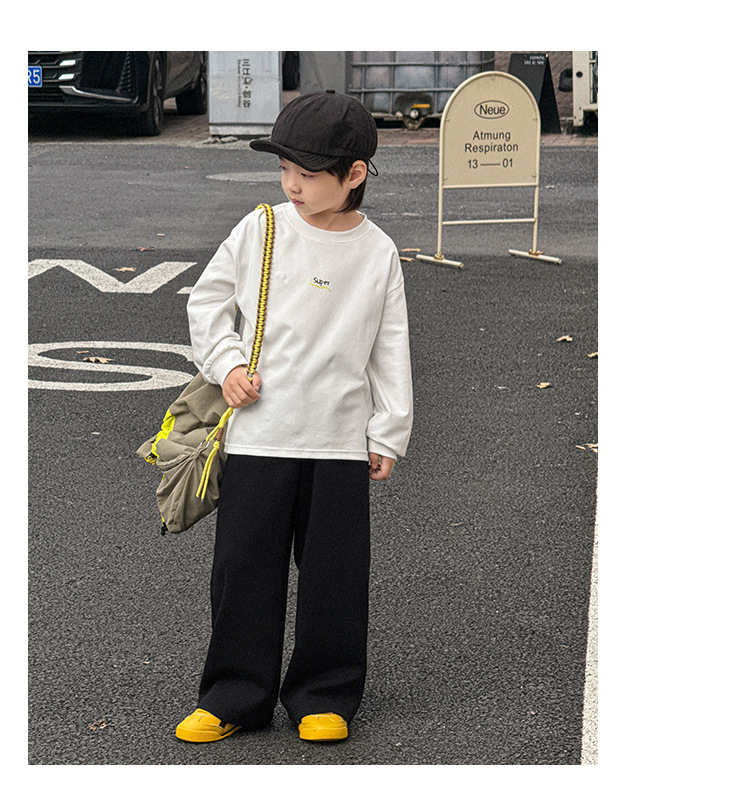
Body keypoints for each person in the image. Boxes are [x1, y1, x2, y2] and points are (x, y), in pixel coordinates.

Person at [175, 90, 413, 744]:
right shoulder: (263, 228)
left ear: (354, 174)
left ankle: (324, 694)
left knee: (335, 576)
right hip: (260, 433)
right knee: (243, 570)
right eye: (284, 170)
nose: (292, 185)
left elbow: (390, 345)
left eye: (307, 174)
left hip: (339, 440)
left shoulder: (377, 251)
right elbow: (208, 303)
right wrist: (226, 365)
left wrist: (388, 429)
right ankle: (234, 696)